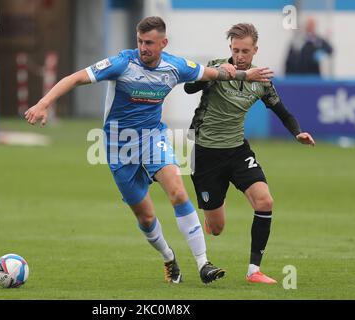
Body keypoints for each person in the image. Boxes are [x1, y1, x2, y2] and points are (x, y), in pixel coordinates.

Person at [25, 17, 273, 284]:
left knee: (177, 191)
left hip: (153, 138)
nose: (144, 48)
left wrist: (244, 74)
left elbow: (212, 73)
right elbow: (74, 78)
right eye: (140, 42)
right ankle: (168, 257)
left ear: (163, 43)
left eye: (150, 43)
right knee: (146, 216)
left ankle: (203, 264)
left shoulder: (175, 66)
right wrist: (44, 103)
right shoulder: (122, 63)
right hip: (118, 146)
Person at [184, 23, 315, 284]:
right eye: (235, 50)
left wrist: (297, 132)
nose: (240, 56)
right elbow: (189, 88)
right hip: (205, 152)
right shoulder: (218, 67)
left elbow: (283, 112)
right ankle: (210, 213)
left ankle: (254, 270)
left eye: (245, 50)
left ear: (255, 50)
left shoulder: (261, 80)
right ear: (230, 49)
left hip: (237, 150)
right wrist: (218, 74)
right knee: (217, 228)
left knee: (265, 201)